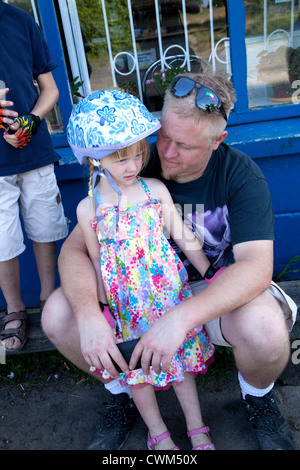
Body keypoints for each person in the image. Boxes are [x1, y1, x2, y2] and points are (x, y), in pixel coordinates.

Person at [42, 68, 298, 451]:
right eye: (162, 136)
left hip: (211, 290)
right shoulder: (129, 162)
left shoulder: (240, 176)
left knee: (265, 326)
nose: (166, 152)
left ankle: (258, 399)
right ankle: (123, 393)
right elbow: (76, 250)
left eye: (185, 146)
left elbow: (256, 269)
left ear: (217, 142)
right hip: (134, 295)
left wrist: (180, 317)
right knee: (58, 315)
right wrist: (90, 313)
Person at [70, 89, 221, 450]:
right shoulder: (88, 209)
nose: (133, 165)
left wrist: (211, 273)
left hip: (168, 296)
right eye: (120, 159)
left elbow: (182, 235)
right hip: (126, 308)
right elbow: (94, 259)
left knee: (179, 364)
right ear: (95, 160)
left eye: (138, 152)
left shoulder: (154, 190)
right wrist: (104, 308)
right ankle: (158, 433)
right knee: (136, 372)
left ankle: (197, 425)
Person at [0, 1, 68, 352]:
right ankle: (14, 308)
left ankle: (48, 297)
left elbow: (51, 89)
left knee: (45, 226)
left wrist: (33, 119)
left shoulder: (19, 21)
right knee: (2, 241)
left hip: (34, 152)